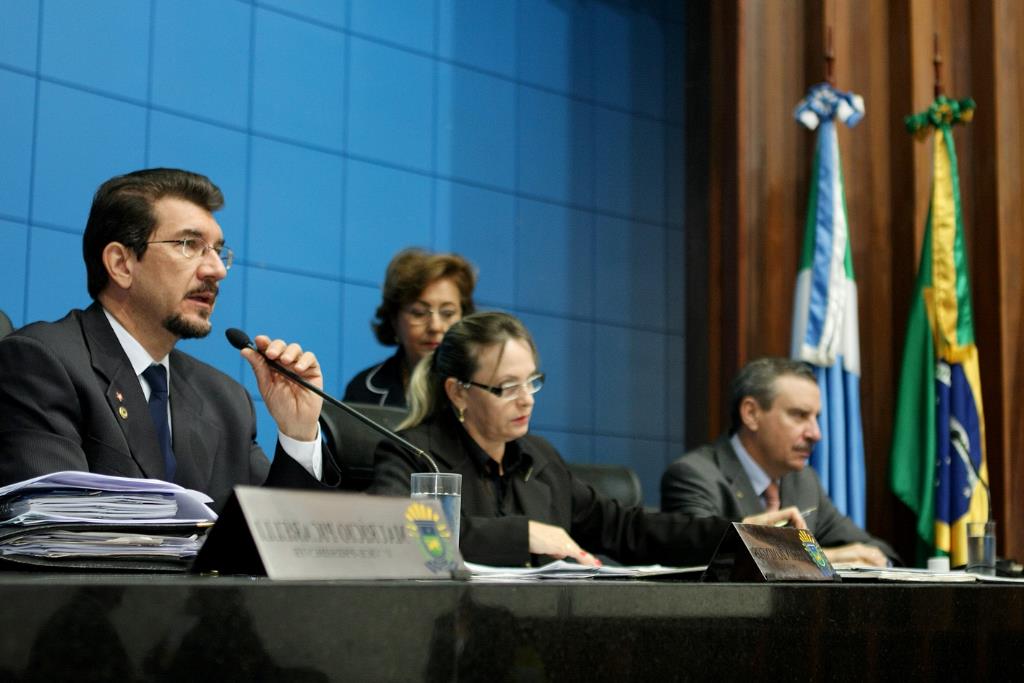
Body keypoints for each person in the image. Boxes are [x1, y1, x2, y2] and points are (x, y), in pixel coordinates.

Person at [0, 168, 338, 510]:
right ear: (121, 264)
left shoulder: (225, 400)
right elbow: (55, 531)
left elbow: (270, 536)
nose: (217, 270)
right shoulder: (42, 362)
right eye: (189, 245)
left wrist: (298, 433)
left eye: (218, 251)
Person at [370, 312, 804, 567]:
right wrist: (523, 536)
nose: (526, 400)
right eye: (507, 387)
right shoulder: (413, 455)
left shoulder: (538, 458)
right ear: (458, 391)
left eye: (533, 382)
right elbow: (399, 534)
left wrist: (740, 534)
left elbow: (631, 530)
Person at [661, 357, 898, 567]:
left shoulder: (804, 482)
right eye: (799, 415)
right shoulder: (693, 476)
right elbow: (708, 562)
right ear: (751, 414)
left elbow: (875, 550)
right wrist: (825, 558)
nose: (816, 434)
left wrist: (874, 559)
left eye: (816, 418)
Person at [344, 248, 475, 407]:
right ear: (394, 320)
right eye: (419, 313)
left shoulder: (483, 387)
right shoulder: (363, 390)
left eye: (447, 313)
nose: (435, 326)